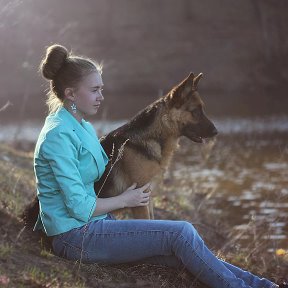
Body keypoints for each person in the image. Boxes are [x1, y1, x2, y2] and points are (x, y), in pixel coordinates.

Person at [33, 44, 284, 288]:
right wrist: (126, 200)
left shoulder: (82, 126)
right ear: (71, 94)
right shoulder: (58, 135)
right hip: (75, 238)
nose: (102, 96)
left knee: (182, 252)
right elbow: (78, 206)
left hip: (98, 224)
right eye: (95, 90)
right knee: (181, 232)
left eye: (102, 89)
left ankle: (265, 285)